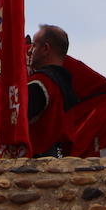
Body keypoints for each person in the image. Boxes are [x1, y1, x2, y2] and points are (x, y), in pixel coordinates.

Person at [26, 24, 78, 158]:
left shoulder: (42, 82)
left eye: (34, 45)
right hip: (62, 160)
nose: (30, 50)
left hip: (38, 165)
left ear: (45, 49)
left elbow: (17, 118)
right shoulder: (67, 87)